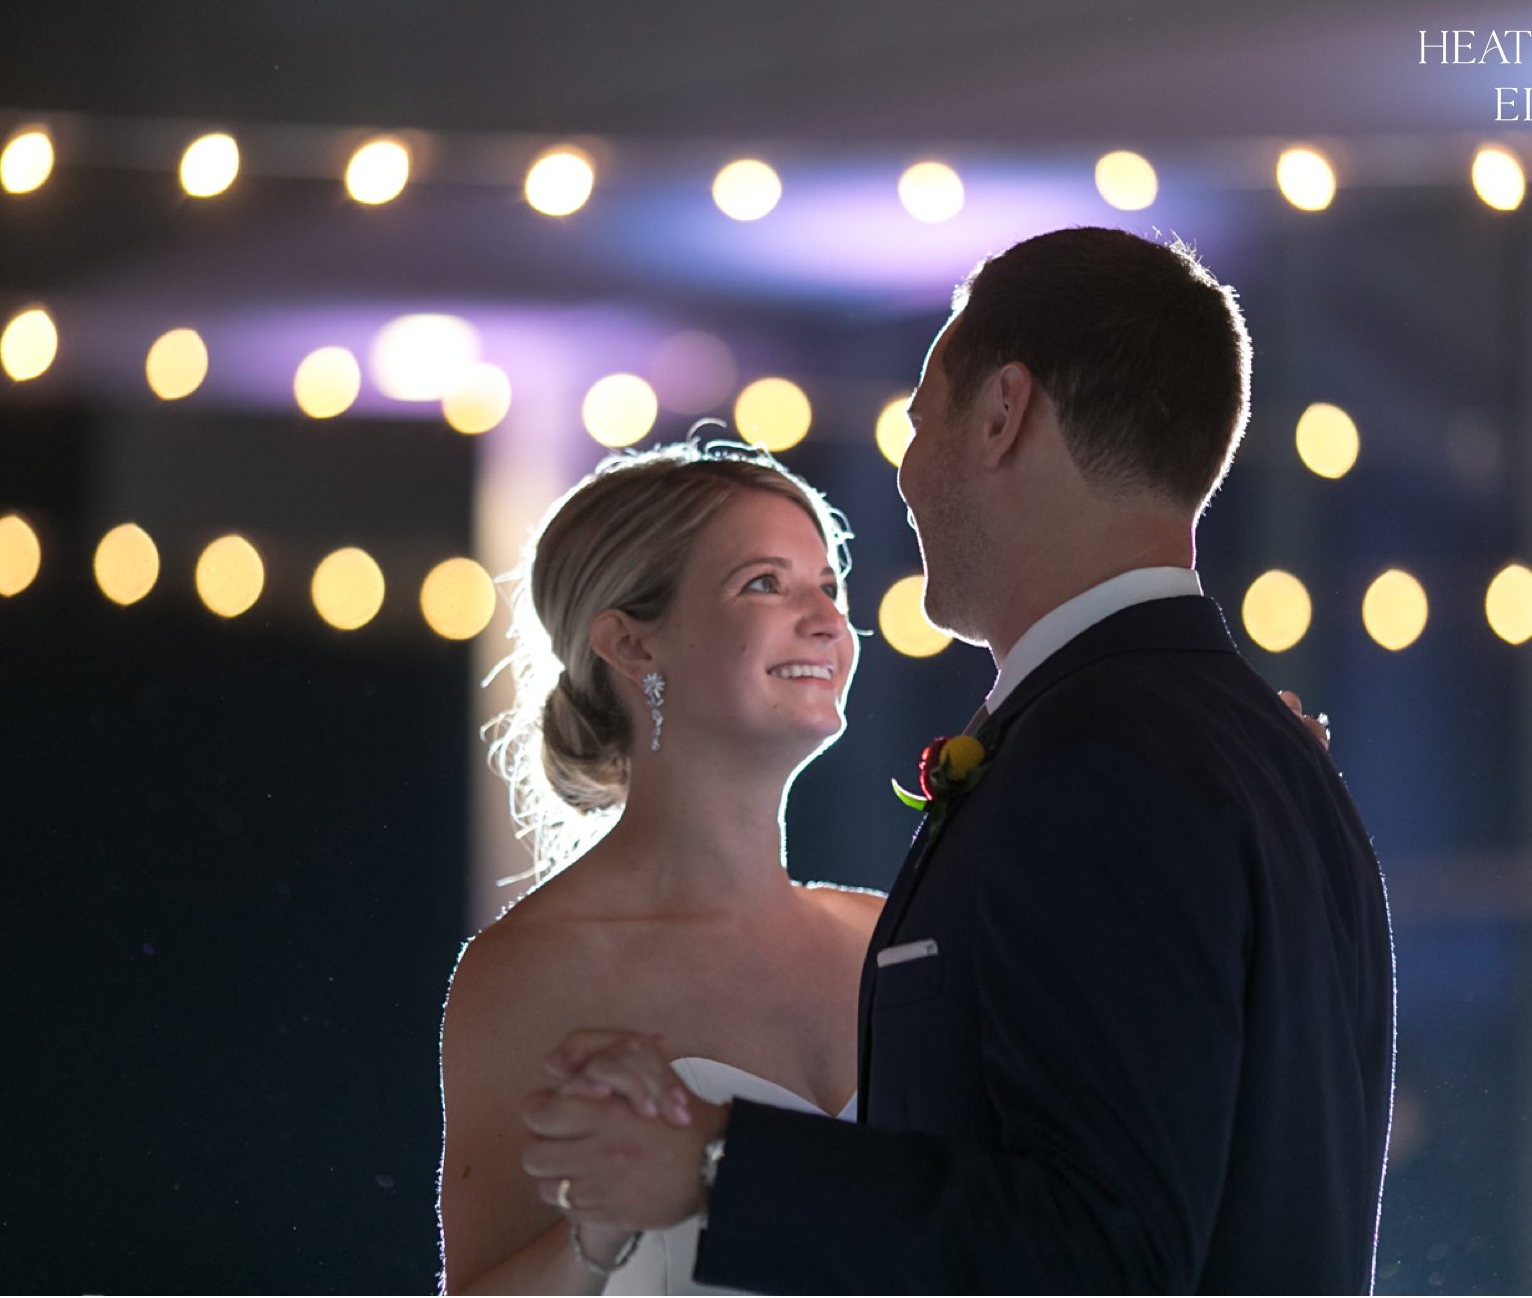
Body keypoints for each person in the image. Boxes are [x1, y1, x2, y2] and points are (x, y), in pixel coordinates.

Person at [521, 227, 1397, 1294]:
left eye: (917, 415)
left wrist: (714, 1166)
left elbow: (1099, 1248)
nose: (902, 467)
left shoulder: (1102, 763)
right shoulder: (1255, 750)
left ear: (1000, 414)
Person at [436, 442, 887, 1295]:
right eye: (766, 582)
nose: (828, 619)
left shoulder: (890, 937)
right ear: (632, 643)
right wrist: (599, 1238)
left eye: (827, 585)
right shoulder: (531, 970)